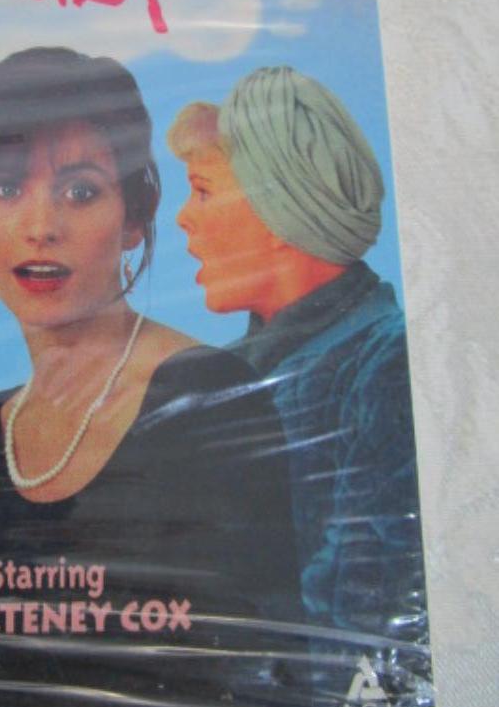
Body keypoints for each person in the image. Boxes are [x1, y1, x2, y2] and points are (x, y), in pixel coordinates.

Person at [0, 47, 307, 707]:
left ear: (135, 218)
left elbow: (256, 688)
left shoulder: (208, 397)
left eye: (81, 191)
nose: (40, 226)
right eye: (6, 188)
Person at [168, 66, 426, 641]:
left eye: (203, 189)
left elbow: (362, 611)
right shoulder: (220, 376)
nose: (184, 216)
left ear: (279, 208)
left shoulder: (385, 364)